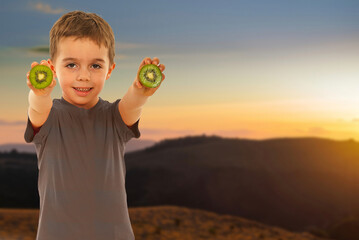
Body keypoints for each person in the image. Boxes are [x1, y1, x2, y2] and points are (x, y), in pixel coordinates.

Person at [24, 10, 165, 240]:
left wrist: (140, 91)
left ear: (110, 69)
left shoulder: (114, 117)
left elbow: (131, 105)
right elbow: (37, 108)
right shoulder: (48, 116)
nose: (84, 76)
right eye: (71, 65)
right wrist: (39, 93)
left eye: (95, 66)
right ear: (53, 69)